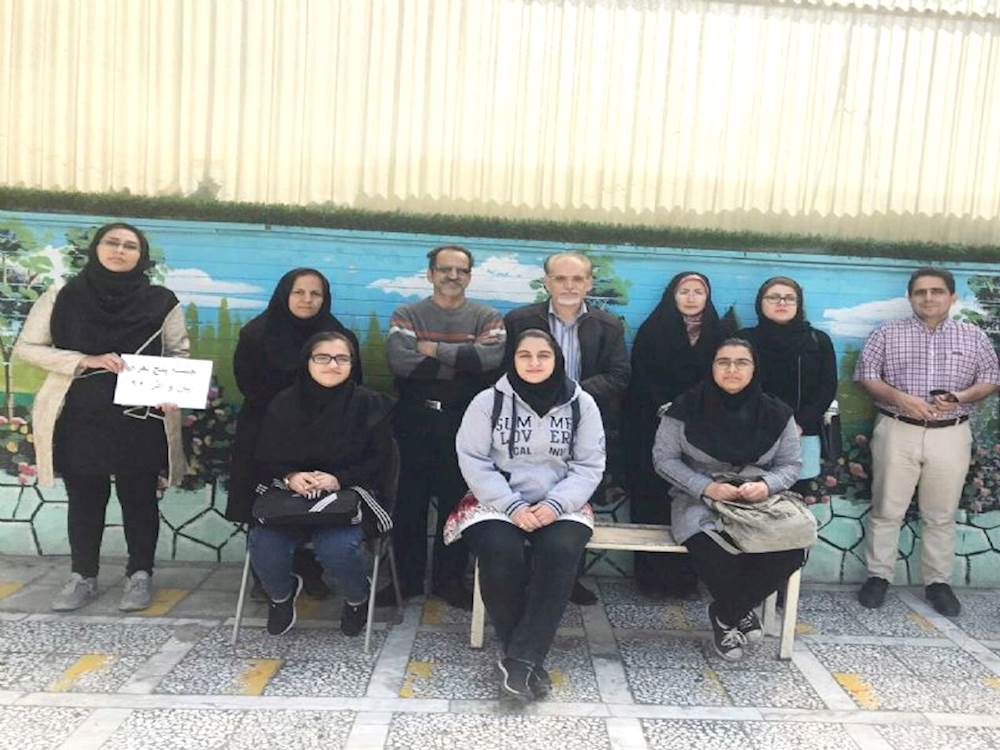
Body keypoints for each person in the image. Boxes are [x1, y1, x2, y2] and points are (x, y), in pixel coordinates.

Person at [14, 222, 189, 612]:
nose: (120, 251)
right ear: (96, 248)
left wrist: (172, 390)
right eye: (112, 242)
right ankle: (83, 576)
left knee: (139, 498)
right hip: (80, 412)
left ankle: (140, 574)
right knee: (85, 498)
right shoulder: (63, 295)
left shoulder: (161, 301)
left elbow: (178, 353)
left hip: (140, 415)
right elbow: (28, 347)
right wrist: (84, 360)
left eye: (130, 246)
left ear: (141, 256)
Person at [449, 329, 605, 702]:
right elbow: (473, 460)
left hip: (561, 500)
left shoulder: (582, 404)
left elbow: (589, 465)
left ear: (557, 360)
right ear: (512, 359)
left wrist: (555, 505)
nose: (534, 363)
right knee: (500, 550)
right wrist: (513, 506)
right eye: (525, 355)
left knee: (560, 551)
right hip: (495, 500)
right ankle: (524, 658)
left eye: (543, 355)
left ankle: (519, 661)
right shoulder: (487, 402)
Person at [854, 267, 999, 616]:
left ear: (952, 297)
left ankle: (937, 583)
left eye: (937, 291)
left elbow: (991, 378)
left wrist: (961, 396)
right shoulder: (886, 333)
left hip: (951, 433)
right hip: (897, 428)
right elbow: (866, 375)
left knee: (941, 513)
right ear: (910, 297)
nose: (928, 298)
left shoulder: (973, 336)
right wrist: (899, 397)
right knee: (887, 508)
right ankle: (878, 577)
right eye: (920, 292)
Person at [652, 338, 806, 661]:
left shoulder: (778, 414)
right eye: (723, 362)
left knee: (792, 549)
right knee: (712, 549)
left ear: (755, 368)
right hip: (699, 499)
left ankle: (726, 613)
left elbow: (791, 465)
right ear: (711, 367)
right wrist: (706, 487)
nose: (732, 369)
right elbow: (664, 459)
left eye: (741, 362)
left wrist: (765, 485)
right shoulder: (683, 409)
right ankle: (740, 612)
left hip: (759, 502)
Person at [380, 245, 506, 610]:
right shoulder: (407, 313)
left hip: (466, 421)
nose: (453, 276)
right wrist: (464, 362)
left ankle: (449, 581)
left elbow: (489, 361)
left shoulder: (487, 316)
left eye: (461, 270)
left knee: (457, 502)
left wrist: (429, 349)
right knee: (409, 503)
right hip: (413, 421)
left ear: (470, 275)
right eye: (445, 269)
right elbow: (401, 362)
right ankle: (406, 581)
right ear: (430, 273)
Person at [502, 251, 629, 605]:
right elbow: (504, 372)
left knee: (574, 499)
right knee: (527, 494)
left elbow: (620, 376)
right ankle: (523, 577)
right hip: (527, 424)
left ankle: (568, 580)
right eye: (560, 278)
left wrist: (569, 394)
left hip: (582, 427)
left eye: (577, 279)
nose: (569, 286)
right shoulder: (519, 321)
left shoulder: (609, 325)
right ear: (547, 282)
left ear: (589, 283)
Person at [226, 268, 361, 598]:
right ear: (284, 294)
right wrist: (286, 412)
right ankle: (267, 577)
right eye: (299, 292)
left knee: (314, 499)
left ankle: (311, 574)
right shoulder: (255, 335)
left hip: (325, 433)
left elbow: (354, 385)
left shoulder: (339, 339)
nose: (307, 300)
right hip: (264, 432)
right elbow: (247, 383)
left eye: (315, 294)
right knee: (266, 503)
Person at [249, 331, 394, 636]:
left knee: (337, 548)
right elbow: (266, 456)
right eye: (323, 358)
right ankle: (281, 597)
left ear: (353, 364)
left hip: (347, 496)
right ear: (307, 361)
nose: (333, 365)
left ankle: (357, 600)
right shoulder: (284, 403)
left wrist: (338, 479)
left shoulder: (369, 404)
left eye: (342, 358)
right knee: (265, 544)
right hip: (292, 498)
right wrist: (291, 476)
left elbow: (379, 459)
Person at [625, 271, 730, 600]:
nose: (691, 297)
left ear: (707, 297)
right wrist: (669, 408)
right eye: (684, 291)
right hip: (653, 428)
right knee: (651, 500)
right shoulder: (653, 331)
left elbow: (725, 380)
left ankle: (687, 579)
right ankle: (650, 578)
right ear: (673, 295)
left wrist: (696, 410)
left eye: (699, 291)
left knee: (693, 502)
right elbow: (641, 379)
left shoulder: (720, 334)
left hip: (703, 432)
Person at [737, 277, 837, 496]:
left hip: (803, 433)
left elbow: (827, 386)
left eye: (790, 298)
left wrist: (798, 424)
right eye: (773, 297)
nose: (782, 303)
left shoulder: (817, 340)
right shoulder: (744, 340)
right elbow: (733, 383)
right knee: (749, 495)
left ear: (799, 304)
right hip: (753, 432)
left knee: (797, 497)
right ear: (760, 303)